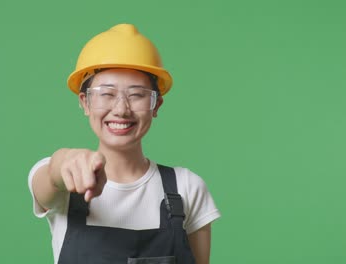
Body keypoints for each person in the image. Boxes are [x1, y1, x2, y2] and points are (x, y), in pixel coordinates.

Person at [28, 24, 221, 264]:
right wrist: (65, 160)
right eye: (106, 94)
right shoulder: (66, 180)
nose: (121, 109)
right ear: (85, 103)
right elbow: (50, 177)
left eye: (137, 94)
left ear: (156, 105)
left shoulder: (187, 188)